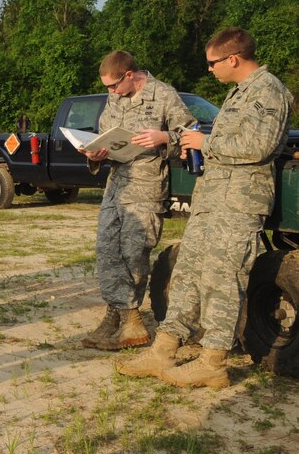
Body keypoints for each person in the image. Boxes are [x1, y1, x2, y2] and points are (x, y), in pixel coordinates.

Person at [118, 28, 293, 388]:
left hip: (240, 202)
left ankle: (213, 361)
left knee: (222, 280)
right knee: (188, 272)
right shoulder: (239, 93)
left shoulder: (269, 91)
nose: (209, 69)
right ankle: (164, 349)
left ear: (233, 58)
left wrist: (206, 142)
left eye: (213, 63)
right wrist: (196, 145)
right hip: (214, 199)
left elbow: (258, 146)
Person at [80, 51, 194, 351]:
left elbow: (192, 133)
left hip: (146, 187)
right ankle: (119, 316)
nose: (110, 92)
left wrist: (164, 138)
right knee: (107, 252)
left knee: (133, 255)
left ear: (130, 74)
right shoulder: (115, 99)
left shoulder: (164, 95)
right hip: (117, 184)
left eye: (114, 85)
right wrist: (96, 153)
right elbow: (106, 134)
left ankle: (130, 322)